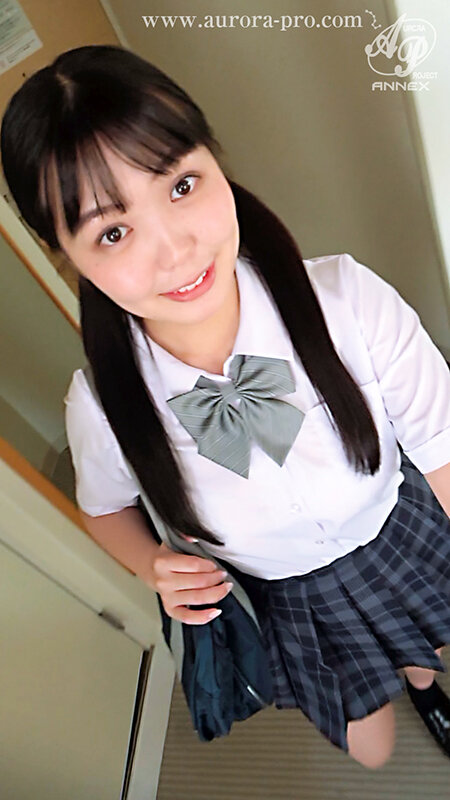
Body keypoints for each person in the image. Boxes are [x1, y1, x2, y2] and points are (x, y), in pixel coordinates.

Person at [1, 44, 449, 770]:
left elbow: (443, 446)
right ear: (65, 255)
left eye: (181, 185)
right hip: (295, 597)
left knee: (425, 647)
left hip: (396, 527)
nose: (175, 250)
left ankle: (425, 686)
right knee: (371, 750)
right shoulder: (102, 407)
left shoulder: (348, 301)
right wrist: (152, 565)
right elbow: (103, 508)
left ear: (216, 160)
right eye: (113, 231)